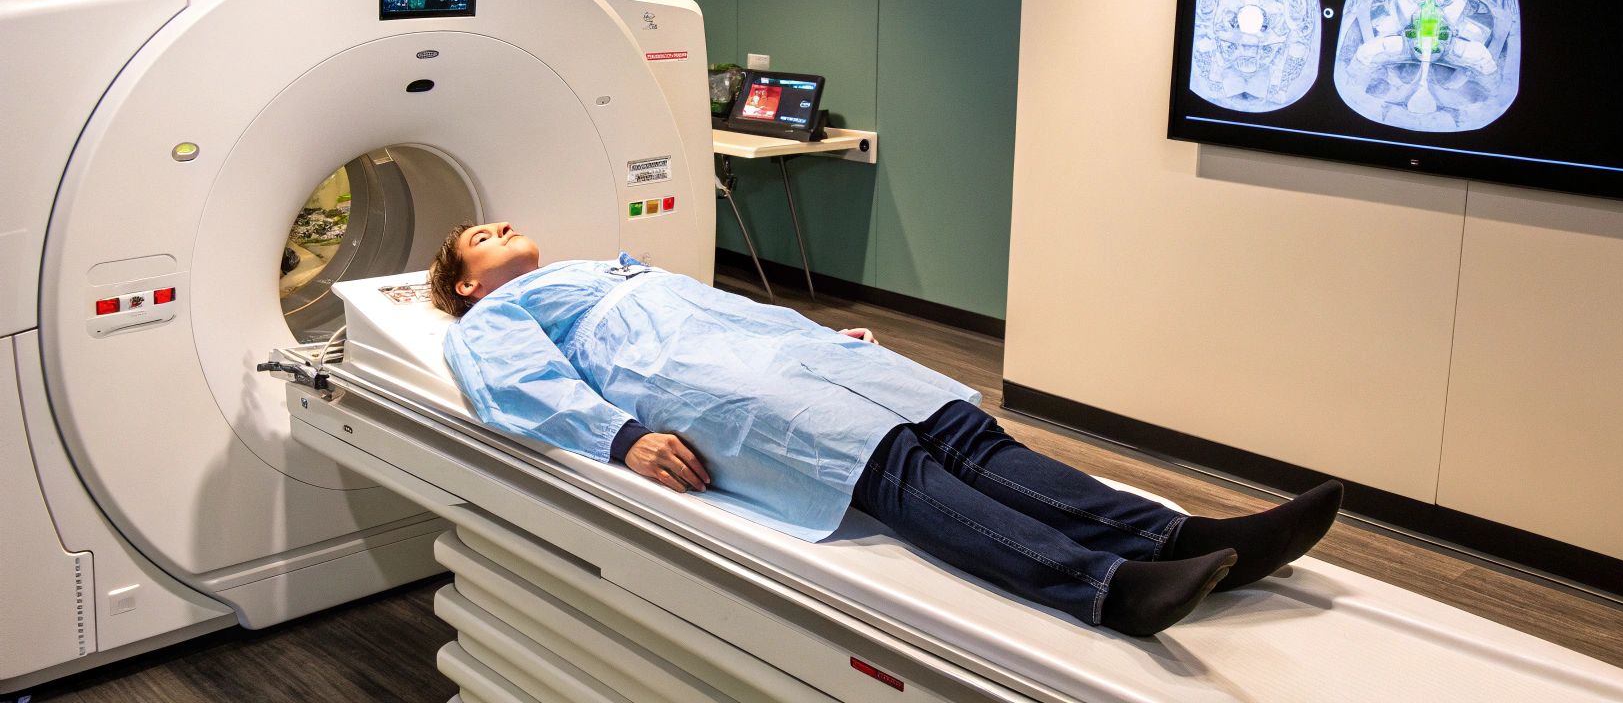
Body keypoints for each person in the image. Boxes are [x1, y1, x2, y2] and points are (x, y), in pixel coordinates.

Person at [428, 221, 1343, 636]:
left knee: (963, 431)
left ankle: (1184, 536)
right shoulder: (497, 320)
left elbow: (727, 308)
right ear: (468, 284)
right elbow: (520, 386)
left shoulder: (606, 265)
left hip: (776, 351)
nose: (499, 226)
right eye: (478, 236)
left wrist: (814, 333)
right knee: (894, 466)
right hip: (700, 384)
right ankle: (1106, 590)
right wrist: (621, 436)